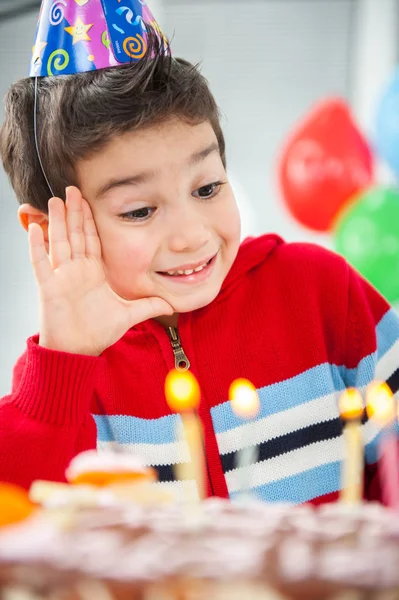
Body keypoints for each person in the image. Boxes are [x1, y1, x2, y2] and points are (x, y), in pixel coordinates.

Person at [0, 0, 398, 505]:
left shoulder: (323, 295)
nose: (190, 235)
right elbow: (17, 535)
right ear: (48, 229)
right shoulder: (63, 379)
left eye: (207, 187)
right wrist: (64, 362)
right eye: (140, 211)